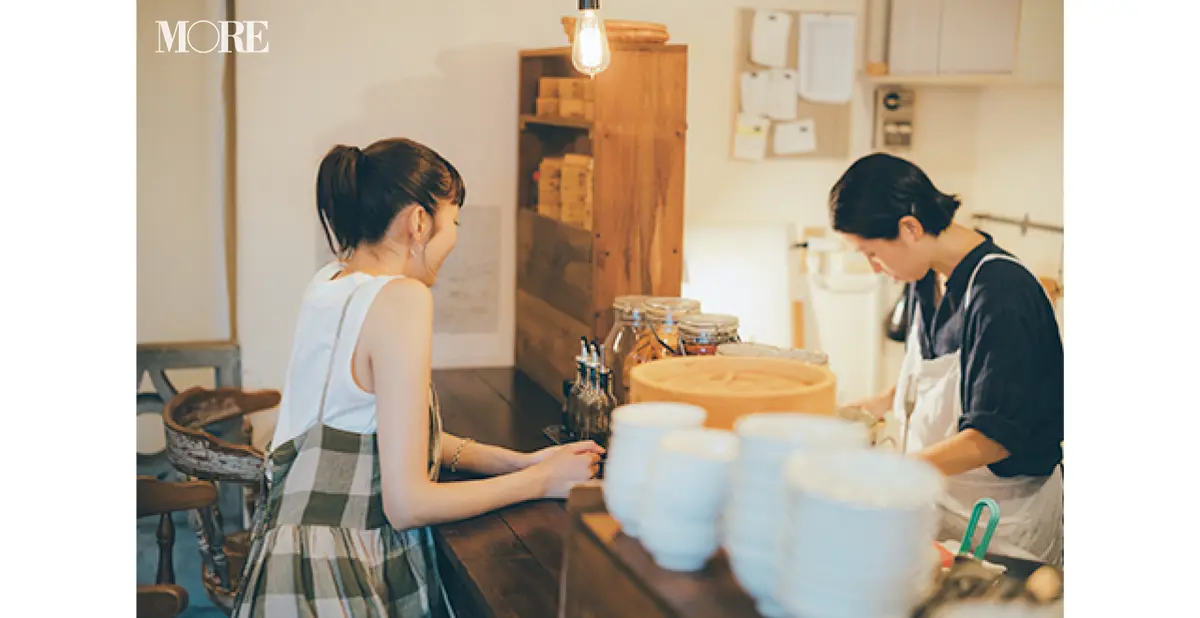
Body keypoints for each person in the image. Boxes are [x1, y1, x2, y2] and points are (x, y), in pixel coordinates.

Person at [233, 137, 604, 617]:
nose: (453, 238)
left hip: (287, 558)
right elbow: (407, 505)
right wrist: (540, 484)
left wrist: (521, 463)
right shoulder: (402, 298)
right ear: (419, 222)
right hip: (340, 573)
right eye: (454, 222)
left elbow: (378, 433)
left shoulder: (329, 283)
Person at [830, 153, 1063, 567]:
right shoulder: (927, 276)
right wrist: (861, 410)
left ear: (910, 228)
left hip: (1001, 523)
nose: (873, 268)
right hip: (944, 504)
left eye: (872, 253)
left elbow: (994, 437)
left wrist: (894, 474)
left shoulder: (1002, 294)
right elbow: (939, 381)